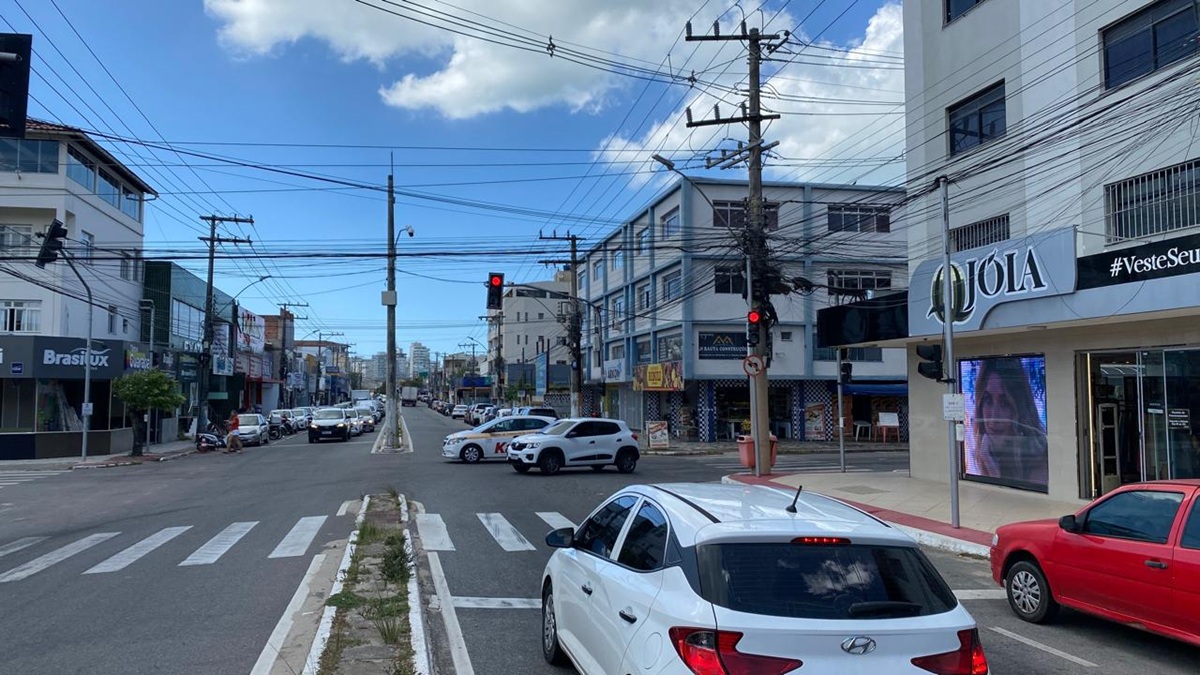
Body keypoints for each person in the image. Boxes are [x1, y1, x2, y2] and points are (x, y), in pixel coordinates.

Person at [968, 358, 1048, 486]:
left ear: (1020, 407)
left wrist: (994, 473)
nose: (994, 417)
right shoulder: (981, 453)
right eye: (988, 400)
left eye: (1004, 403)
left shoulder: (1039, 462)